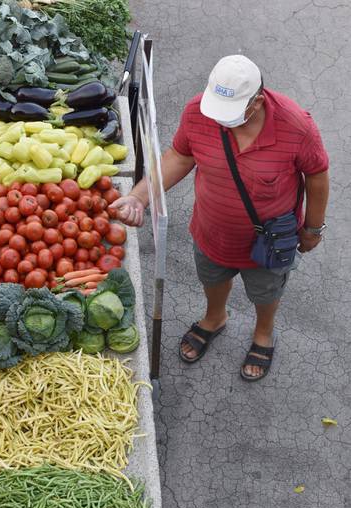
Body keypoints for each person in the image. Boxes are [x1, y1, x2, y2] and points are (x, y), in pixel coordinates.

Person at [109, 54, 329, 381]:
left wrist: (312, 228)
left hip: (267, 241)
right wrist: (138, 197)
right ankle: (214, 318)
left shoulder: (296, 124)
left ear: (256, 102)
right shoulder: (199, 111)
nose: (220, 119)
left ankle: (263, 333)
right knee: (212, 278)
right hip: (212, 229)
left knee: (265, 292)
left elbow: (317, 175)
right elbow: (180, 158)